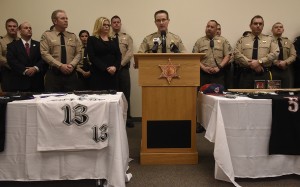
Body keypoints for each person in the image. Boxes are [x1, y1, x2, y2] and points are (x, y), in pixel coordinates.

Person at [40, 9, 81, 92]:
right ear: (55, 21)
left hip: (71, 74)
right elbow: (44, 53)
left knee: (72, 101)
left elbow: (79, 53)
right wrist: (60, 66)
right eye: (62, 18)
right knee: (52, 101)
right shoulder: (47, 35)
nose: (66, 20)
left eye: (66, 18)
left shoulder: (72, 36)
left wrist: (72, 65)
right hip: (54, 74)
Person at [234, 15, 279, 89]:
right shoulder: (243, 39)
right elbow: (237, 54)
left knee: (264, 98)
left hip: (263, 73)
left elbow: (275, 53)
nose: (258, 26)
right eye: (255, 23)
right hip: (246, 74)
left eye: (260, 24)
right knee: (244, 98)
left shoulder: (270, 39)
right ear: (250, 25)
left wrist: (259, 62)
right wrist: (251, 64)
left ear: (263, 26)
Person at [6, 22, 46, 92]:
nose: (29, 29)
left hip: (37, 83)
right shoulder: (12, 46)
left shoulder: (39, 45)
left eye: (30, 28)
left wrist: (35, 68)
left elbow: (44, 59)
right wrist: (25, 70)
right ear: (20, 31)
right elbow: (11, 61)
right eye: (26, 28)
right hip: (20, 82)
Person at [192, 20, 232, 87]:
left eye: (212, 27)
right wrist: (203, 68)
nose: (209, 28)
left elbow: (228, 56)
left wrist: (218, 67)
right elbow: (194, 57)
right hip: (203, 74)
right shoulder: (199, 41)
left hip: (218, 74)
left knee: (218, 95)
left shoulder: (223, 41)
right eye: (208, 26)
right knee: (202, 95)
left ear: (216, 30)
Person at [111, 15, 134, 128]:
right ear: (111, 24)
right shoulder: (106, 37)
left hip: (123, 69)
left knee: (125, 93)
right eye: (114, 22)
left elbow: (130, 53)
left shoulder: (127, 37)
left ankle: (127, 118)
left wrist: (120, 64)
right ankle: (113, 117)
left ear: (120, 24)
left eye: (118, 22)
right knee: (112, 93)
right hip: (110, 70)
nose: (116, 24)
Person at [87, 17, 121, 91]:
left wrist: (115, 67)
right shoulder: (92, 39)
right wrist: (106, 68)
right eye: (104, 24)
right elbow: (92, 57)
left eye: (108, 25)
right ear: (98, 25)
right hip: (99, 73)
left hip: (113, 74)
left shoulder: (113, 39)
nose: (107, 26)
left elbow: (118, 55)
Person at [271, 22, 296, 88]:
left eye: (280, 27)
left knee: (286, 90)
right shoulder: (268, 41)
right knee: (273, 90)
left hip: (286, 69)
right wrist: (276, 62)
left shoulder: (288, 41)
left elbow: (293, 55)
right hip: (272, 69)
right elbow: (265, 54)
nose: (279, 28)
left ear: (283, 30)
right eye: (276, 27)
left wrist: (285, 62)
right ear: (272, 30)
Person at [0, 18, 19, 91]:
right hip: (7, 72)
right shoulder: (2, 41)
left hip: (20, 73)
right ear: (6, 28)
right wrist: (13, 65)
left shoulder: (21, 41)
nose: (12, 28)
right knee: (8, 96)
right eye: (10, 26)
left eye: (14, 26)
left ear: (17, 28)